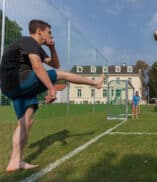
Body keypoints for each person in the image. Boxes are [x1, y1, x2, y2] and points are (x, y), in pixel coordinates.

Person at [0, 19, 104, 172]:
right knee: (60, 74)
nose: (51, 36)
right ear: (39, 31)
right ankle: (95, 83)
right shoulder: (29, 41)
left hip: (10, 87)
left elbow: (54, 63)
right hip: (18, 79)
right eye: (49, 32)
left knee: (26, 121)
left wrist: (52, 48)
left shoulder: (35, 48)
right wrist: (52, 89)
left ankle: (15, 162)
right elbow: (37, 66)